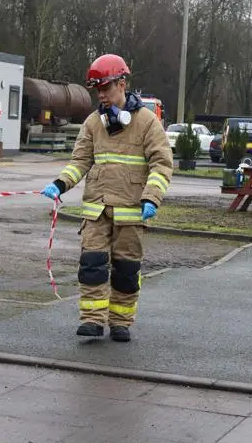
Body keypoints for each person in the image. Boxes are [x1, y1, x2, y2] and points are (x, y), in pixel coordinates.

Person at [41, 53, 173, 342]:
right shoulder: (92, 123)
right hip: (96, 212)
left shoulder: (148, 123)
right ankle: (92, 320)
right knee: (91, 266)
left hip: (131, 214)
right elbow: (80, 161)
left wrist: (152, 198)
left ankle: (121, 322)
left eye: (106, 88)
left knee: (126, 271)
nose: (101, 95)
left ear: (122, 83)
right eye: (97, 90)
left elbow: (162, 164)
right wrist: (60, 184)